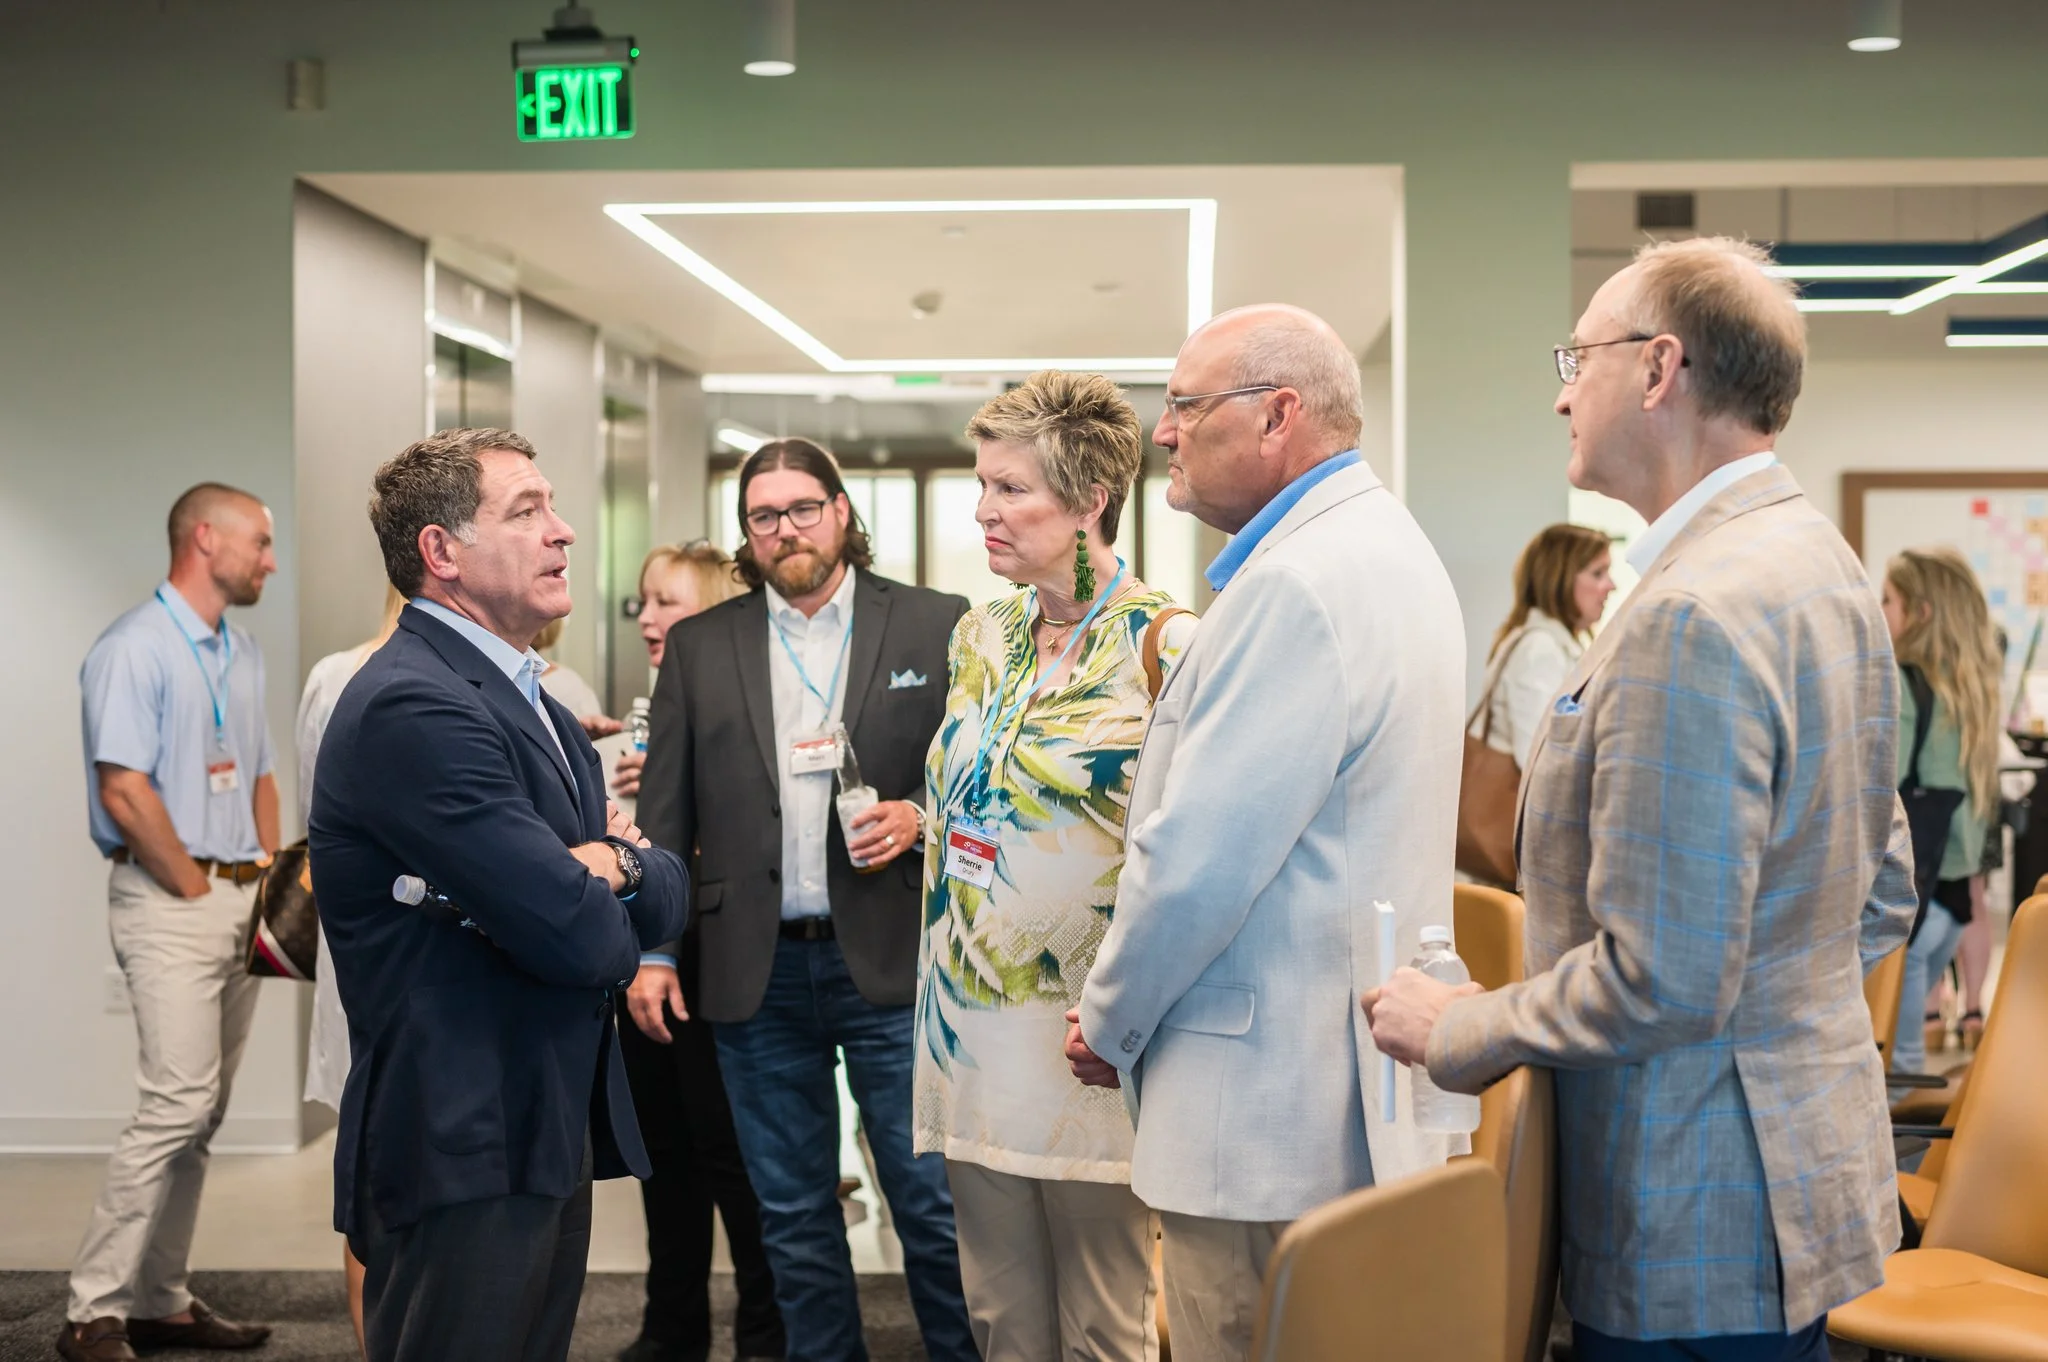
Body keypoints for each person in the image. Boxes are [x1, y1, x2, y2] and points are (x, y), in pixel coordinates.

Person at [1367, 237, 1917, 1362]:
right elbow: (1882, 893)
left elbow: (1660, 978)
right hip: (1793, 1179)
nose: (1559, 389)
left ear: (1659, 370)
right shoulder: (1818, 565)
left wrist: (1462, 1025)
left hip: (1690, 1209)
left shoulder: (1690, 613)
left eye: (1578, 357)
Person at [1064, 305, 1467, 1362]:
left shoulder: (1293, 584)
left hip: (1265, 1120)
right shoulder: (1385, 546)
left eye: (1185, 406)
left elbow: (1195, 862)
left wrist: (1107, 1020)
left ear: (1278, 416)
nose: (1161, 432)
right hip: (1340, 1097)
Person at [309, 427, 690, 1362]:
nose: (563, 533)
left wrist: (611, 864)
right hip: (462, 1136)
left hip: (534, 1123)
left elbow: (668, 894)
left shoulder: (534, 701)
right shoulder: (415, 703)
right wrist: (604, 870)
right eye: (526, 512)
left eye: (553, 508)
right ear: (441, 553)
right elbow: (584, 941)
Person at [639, 439, 977, 1362]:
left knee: (932, 1209)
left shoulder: (936, 625)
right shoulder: (705, 646)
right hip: (755, 971)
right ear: (745, 534)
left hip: (896, 963)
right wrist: (656, 951)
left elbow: (986, 788)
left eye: (800, 508)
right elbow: (664, 813)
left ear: (839, 511)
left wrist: (920, 817)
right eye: (762, 516)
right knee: (790, 1218)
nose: (784, 529)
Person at [918, 371, 1195, 1361]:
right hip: (967, 1032)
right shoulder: (979, 636)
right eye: (981, 486)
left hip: (1086, 1039)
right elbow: (974, 798)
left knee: (1103, 1322)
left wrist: (1131, 1011)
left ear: (1088, 502)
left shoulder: (1166, 644)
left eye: (1010, 490)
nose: (983, 511)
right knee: (997, 1318)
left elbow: (1183, 855)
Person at [67, 482, 281, 1362]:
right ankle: (93, 1311)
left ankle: (161, 1299)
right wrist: (197, 890)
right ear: (206, 539)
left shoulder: (244, 651)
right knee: (175, 1104)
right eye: (261, 543)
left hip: (238, 898)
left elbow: (261, 774)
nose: (271, 559)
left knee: (204, 1113)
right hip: (169, 902)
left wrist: (264, 883)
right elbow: (124, 788)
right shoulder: (134, 649)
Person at [611, 542, 784, 1362]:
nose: (648, 619)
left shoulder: (749, 711)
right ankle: (670, 1327)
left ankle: (765, 1331)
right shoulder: (637, 716)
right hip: (641, 951)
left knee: (736, 1157)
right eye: (643, 602)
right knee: (661, 1150)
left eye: (667, 603)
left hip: (725, 955)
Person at [297, 582, 406, 1355]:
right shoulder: (339, 677)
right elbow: (320, 824)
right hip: (373, 954)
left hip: (428, 965)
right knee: (372, 1175)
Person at [1882, 547, 2001, 1081]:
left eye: (1887, 600)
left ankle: (1915, 1164)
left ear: (1920, 613)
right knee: (1904, 1057)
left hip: (1909, 900)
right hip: (1950, 903)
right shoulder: (1971, 690)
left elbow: (1880, 792)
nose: (1878, 610)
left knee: (1897, 1069)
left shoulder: (1906, 684)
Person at [1476, 523, 1615, 770]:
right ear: (1559, 579)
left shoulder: (1553, 643)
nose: (1611, 586)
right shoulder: (1540, 649)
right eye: (1597, 573)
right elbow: (1538, 756)